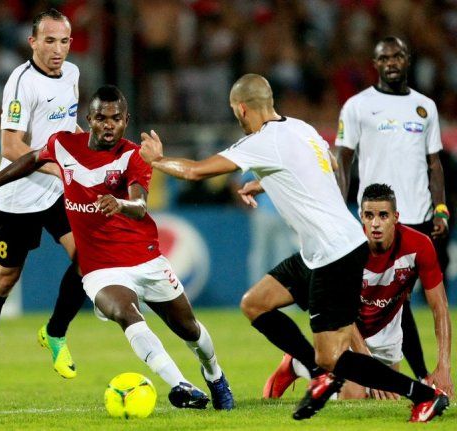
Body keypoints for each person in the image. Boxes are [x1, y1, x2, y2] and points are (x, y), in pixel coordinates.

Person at [138, 73, 449, 422]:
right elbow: (327, 164)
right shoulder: (301, 128)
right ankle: (319, 375)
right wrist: (267, 179)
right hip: (321, 251)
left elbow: (196, 171)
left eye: (235, 113)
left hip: (336, 254)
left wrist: (157, 160)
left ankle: (422, 395)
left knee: (333, 356)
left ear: (242, 109)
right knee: (255, 304)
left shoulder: (261, 140)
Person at [0, 85, 234, 411]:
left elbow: (141, 203)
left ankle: (214, 375)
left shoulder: (133, 155)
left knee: (189, 329)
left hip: (144, 258)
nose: (108, 124)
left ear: (126, 121)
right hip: (101, 268)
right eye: (101, 117)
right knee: (126, 314)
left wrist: (122, 204)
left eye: (116, 118)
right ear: (89, 120)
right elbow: (29, 160)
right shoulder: (64, 145)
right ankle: (180, 385)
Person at [0, 9, 86, 406]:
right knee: (3, 280)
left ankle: (55, 332)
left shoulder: (73, 75)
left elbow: (69, 127)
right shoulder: (20, 83)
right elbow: (11, 147)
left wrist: (93, 155)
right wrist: (61, 169)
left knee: (87, 259)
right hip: (17, 195)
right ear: (32, 42)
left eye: (64, 41)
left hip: (54, 193)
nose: (57, 50)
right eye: (49, 41)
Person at [261, 183, 453, 401]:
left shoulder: (419, 245)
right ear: (361, 216)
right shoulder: (346, 248)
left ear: (395, 217)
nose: (376, 223)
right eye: (369, 216)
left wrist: (444, 366)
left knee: (387, 400)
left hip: (387, 333)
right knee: (354, 395)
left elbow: (440, 307)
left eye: (383, 215)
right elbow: (343, 313)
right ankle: (298, 364)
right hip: (346, 329)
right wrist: (368, 366)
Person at [335, 36, 449, 386]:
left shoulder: (424, 106)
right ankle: (419, 377)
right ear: (375, 62)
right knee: (397, 302)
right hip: (377, 219)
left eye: (398, 55)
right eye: (384, 58)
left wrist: (441, 208)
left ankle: (409, 375)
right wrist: (340, 210)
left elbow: (434, 163)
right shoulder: (357, 106)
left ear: (407, 58)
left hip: (418, 217)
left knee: (409, 301)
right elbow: (343, 158)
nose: (392, 62)